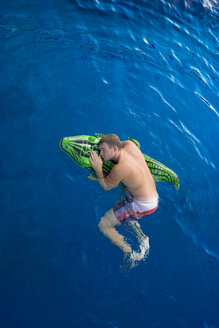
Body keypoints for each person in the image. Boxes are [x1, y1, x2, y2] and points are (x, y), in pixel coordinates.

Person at [90, 134, 158, 260]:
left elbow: (106, 186)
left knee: (103, 225)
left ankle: (130, 253)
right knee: (123, 212)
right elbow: (117, 142)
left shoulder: (119, 169)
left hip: (143, 204)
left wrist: (98, 169)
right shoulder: (130, 145)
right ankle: (142, 238)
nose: (100, 154)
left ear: (115, 149)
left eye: (103, 150)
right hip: (151, 195)